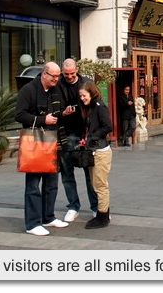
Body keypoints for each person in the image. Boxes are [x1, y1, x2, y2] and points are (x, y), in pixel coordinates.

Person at [15, 62, 69, 236]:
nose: (56, 79)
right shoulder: (28, 90)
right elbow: (19, 114)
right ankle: (32, 223)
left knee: (52, 183)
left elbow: (56, 112)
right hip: (35, 141)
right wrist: (42, 120)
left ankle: (48, 216)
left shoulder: (55, 90)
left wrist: (64, 113)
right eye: (53, 76)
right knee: (33, 185)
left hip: (53, 141)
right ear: (44, 74)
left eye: (58, 76)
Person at [56, 58, 97, 223]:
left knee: (90, 174)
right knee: (66, 173)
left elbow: (96, 105)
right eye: (66, 74)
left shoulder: (86, 83)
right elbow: (53, 108)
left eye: (72, 73)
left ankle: (95, 207)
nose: (70, 76)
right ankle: (73, 206)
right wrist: (63, 113)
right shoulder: (58, 84)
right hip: (65, 133)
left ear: (77, 70)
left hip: (84, 133)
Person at [78, 81, 113, 229]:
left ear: (91, 93)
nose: (82, 98)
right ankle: (102, 213)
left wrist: (92, 137)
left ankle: (103, 216)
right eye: (80, 96)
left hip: (101, 151)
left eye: (84, 95)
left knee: (100, 185)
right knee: (95, 184)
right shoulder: (91, 108)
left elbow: (108, 126)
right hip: (94, 150)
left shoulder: (100, 107)